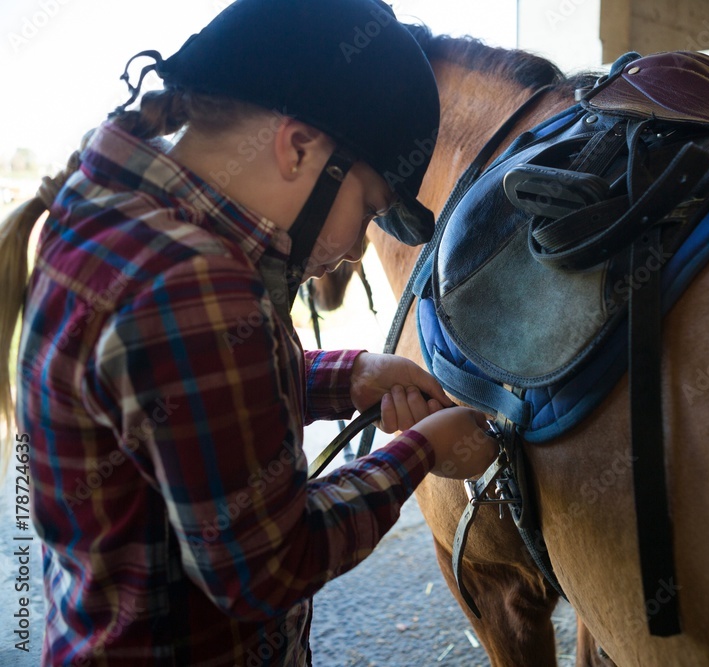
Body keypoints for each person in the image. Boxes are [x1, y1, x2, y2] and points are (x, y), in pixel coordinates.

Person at [0, 0, 498, 664]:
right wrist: (422, 451)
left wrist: (343, 376)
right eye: (370, 207)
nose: (354, 252)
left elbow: (173, 406)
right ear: (297, 148)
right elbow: (268, 566)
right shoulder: (195, 283)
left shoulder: (112, 216)